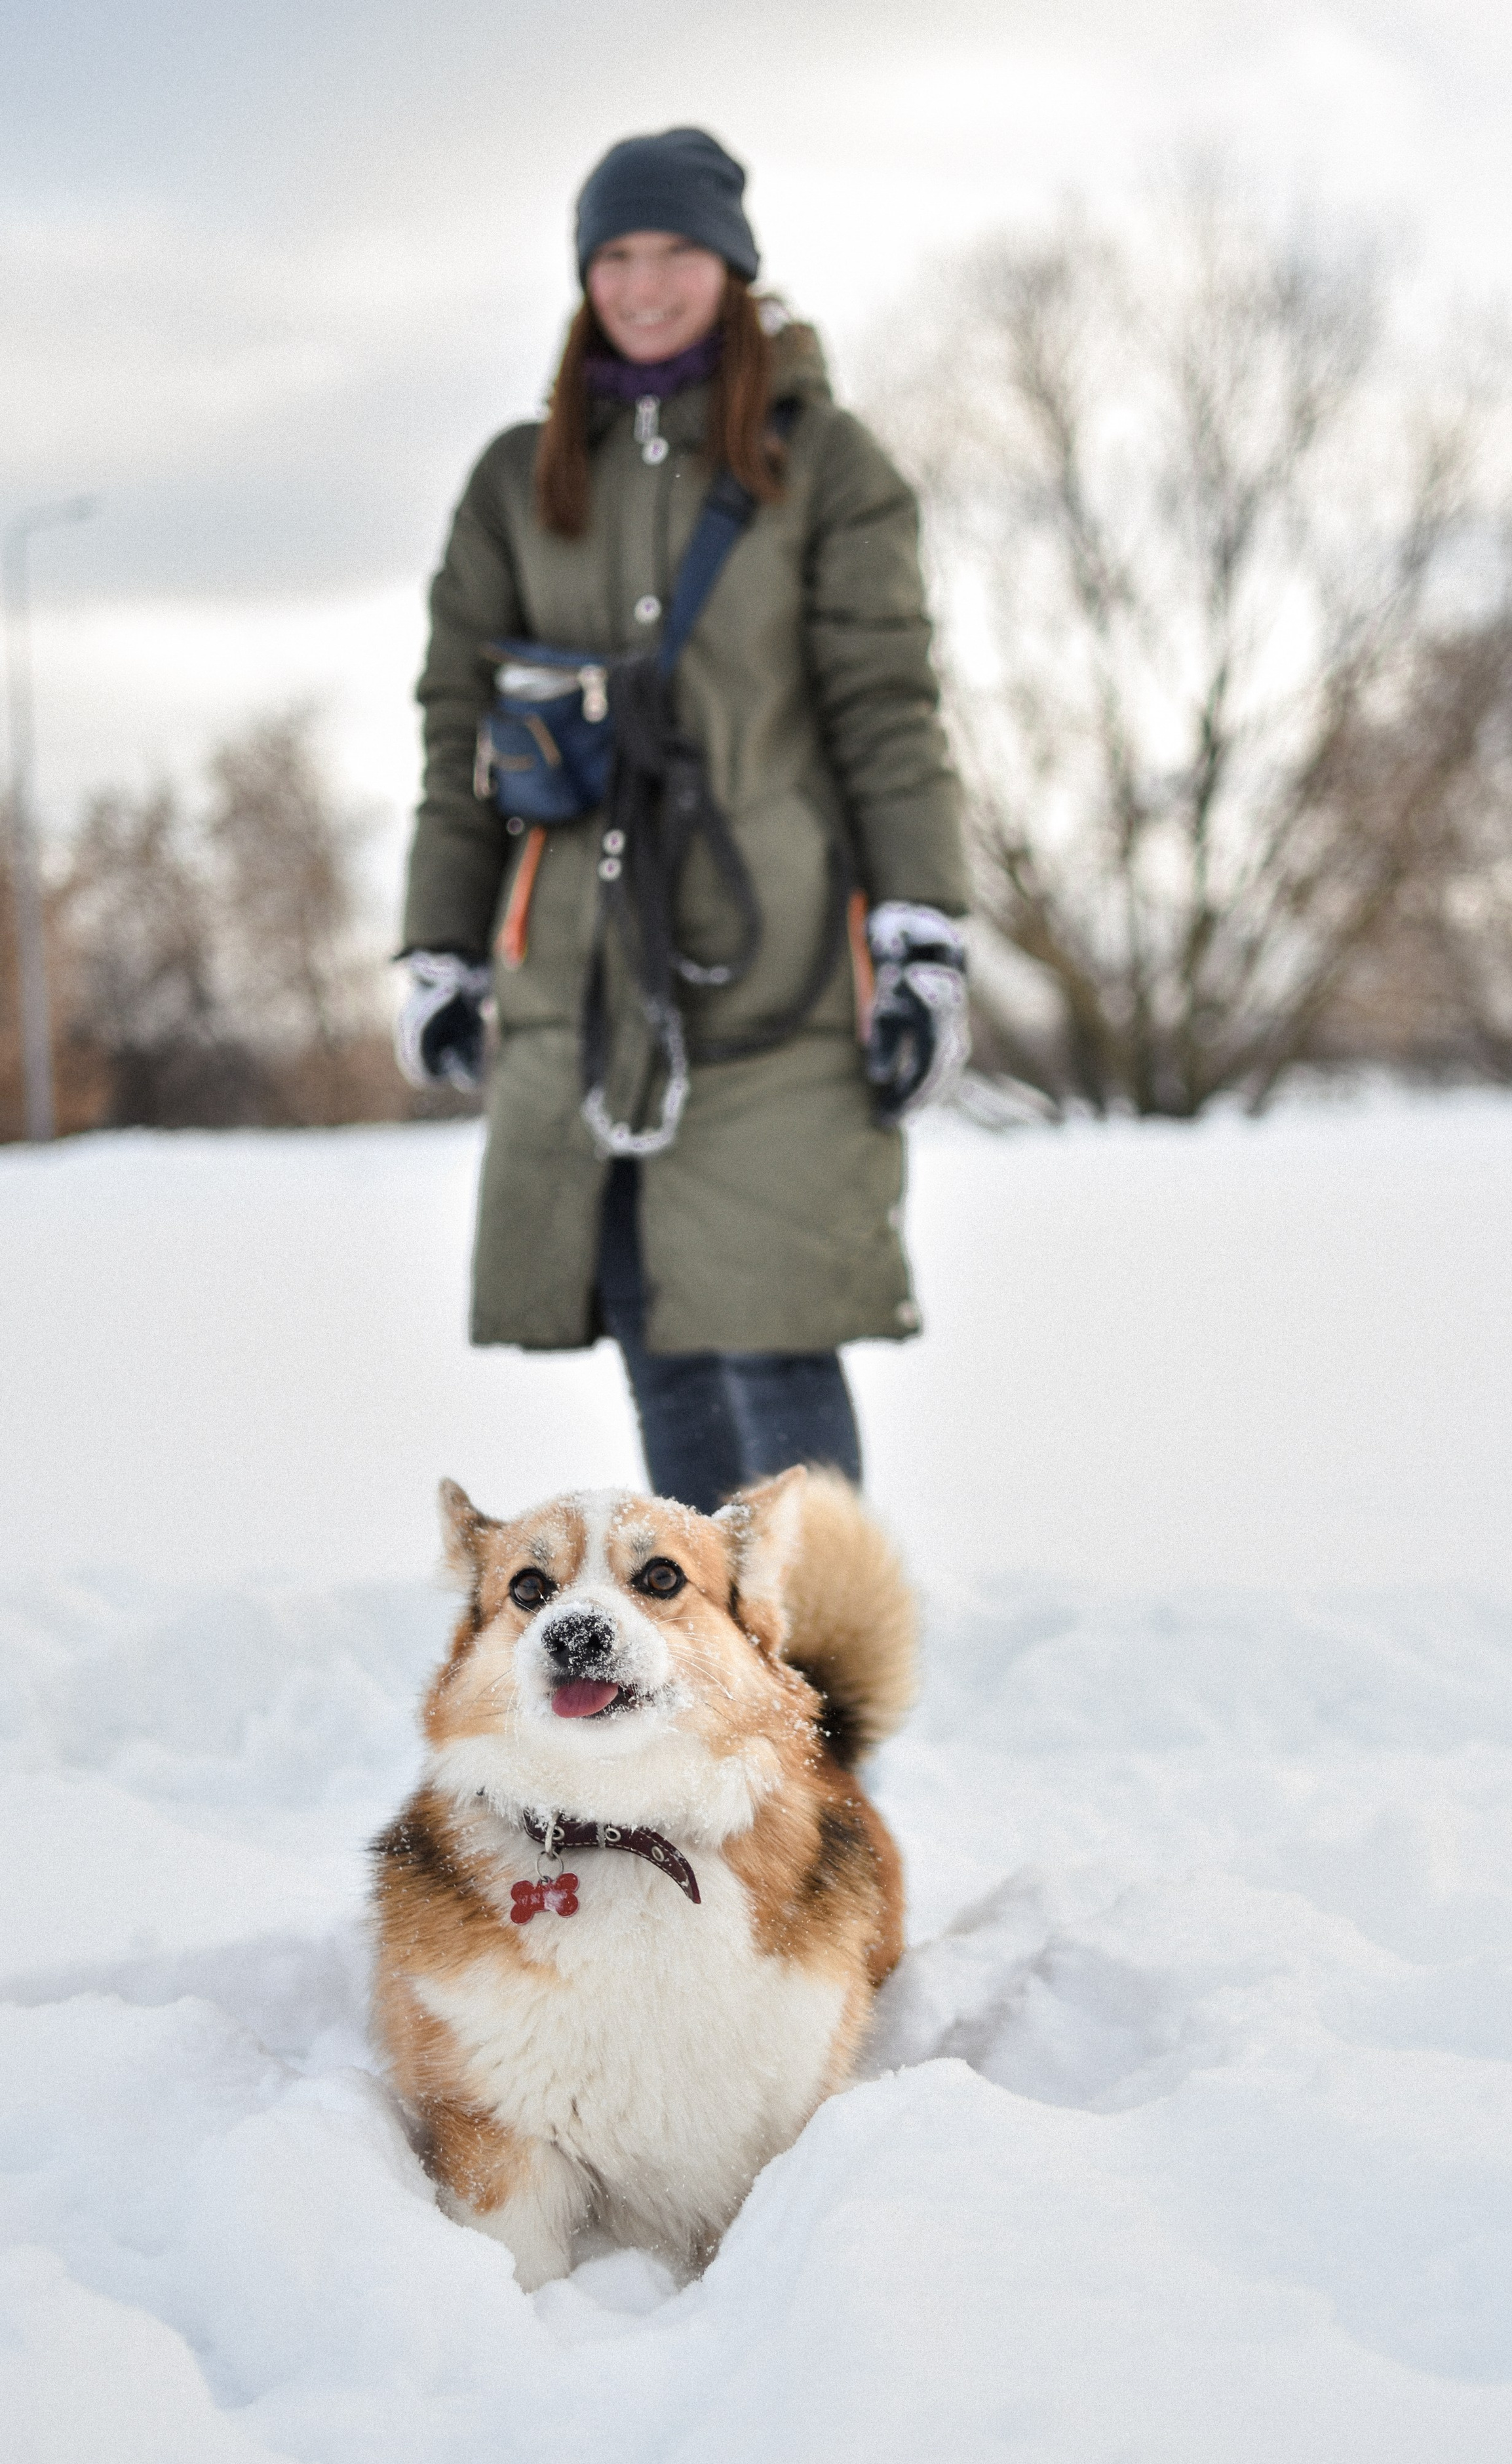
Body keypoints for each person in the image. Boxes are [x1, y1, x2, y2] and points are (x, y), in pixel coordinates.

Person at [395, 126, 968, 1514]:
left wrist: (922, 933)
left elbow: (886, 710)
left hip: (779, 973)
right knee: (660, 1339)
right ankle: (708, 1657)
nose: (644, 285)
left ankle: (816, 1657)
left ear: (732, 268)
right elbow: (460, 735)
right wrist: (439, 947)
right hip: (584, 978)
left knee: (774, 1334)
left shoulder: (824, 465)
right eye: (615, 256)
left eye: (675, 254)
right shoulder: (519, 479)